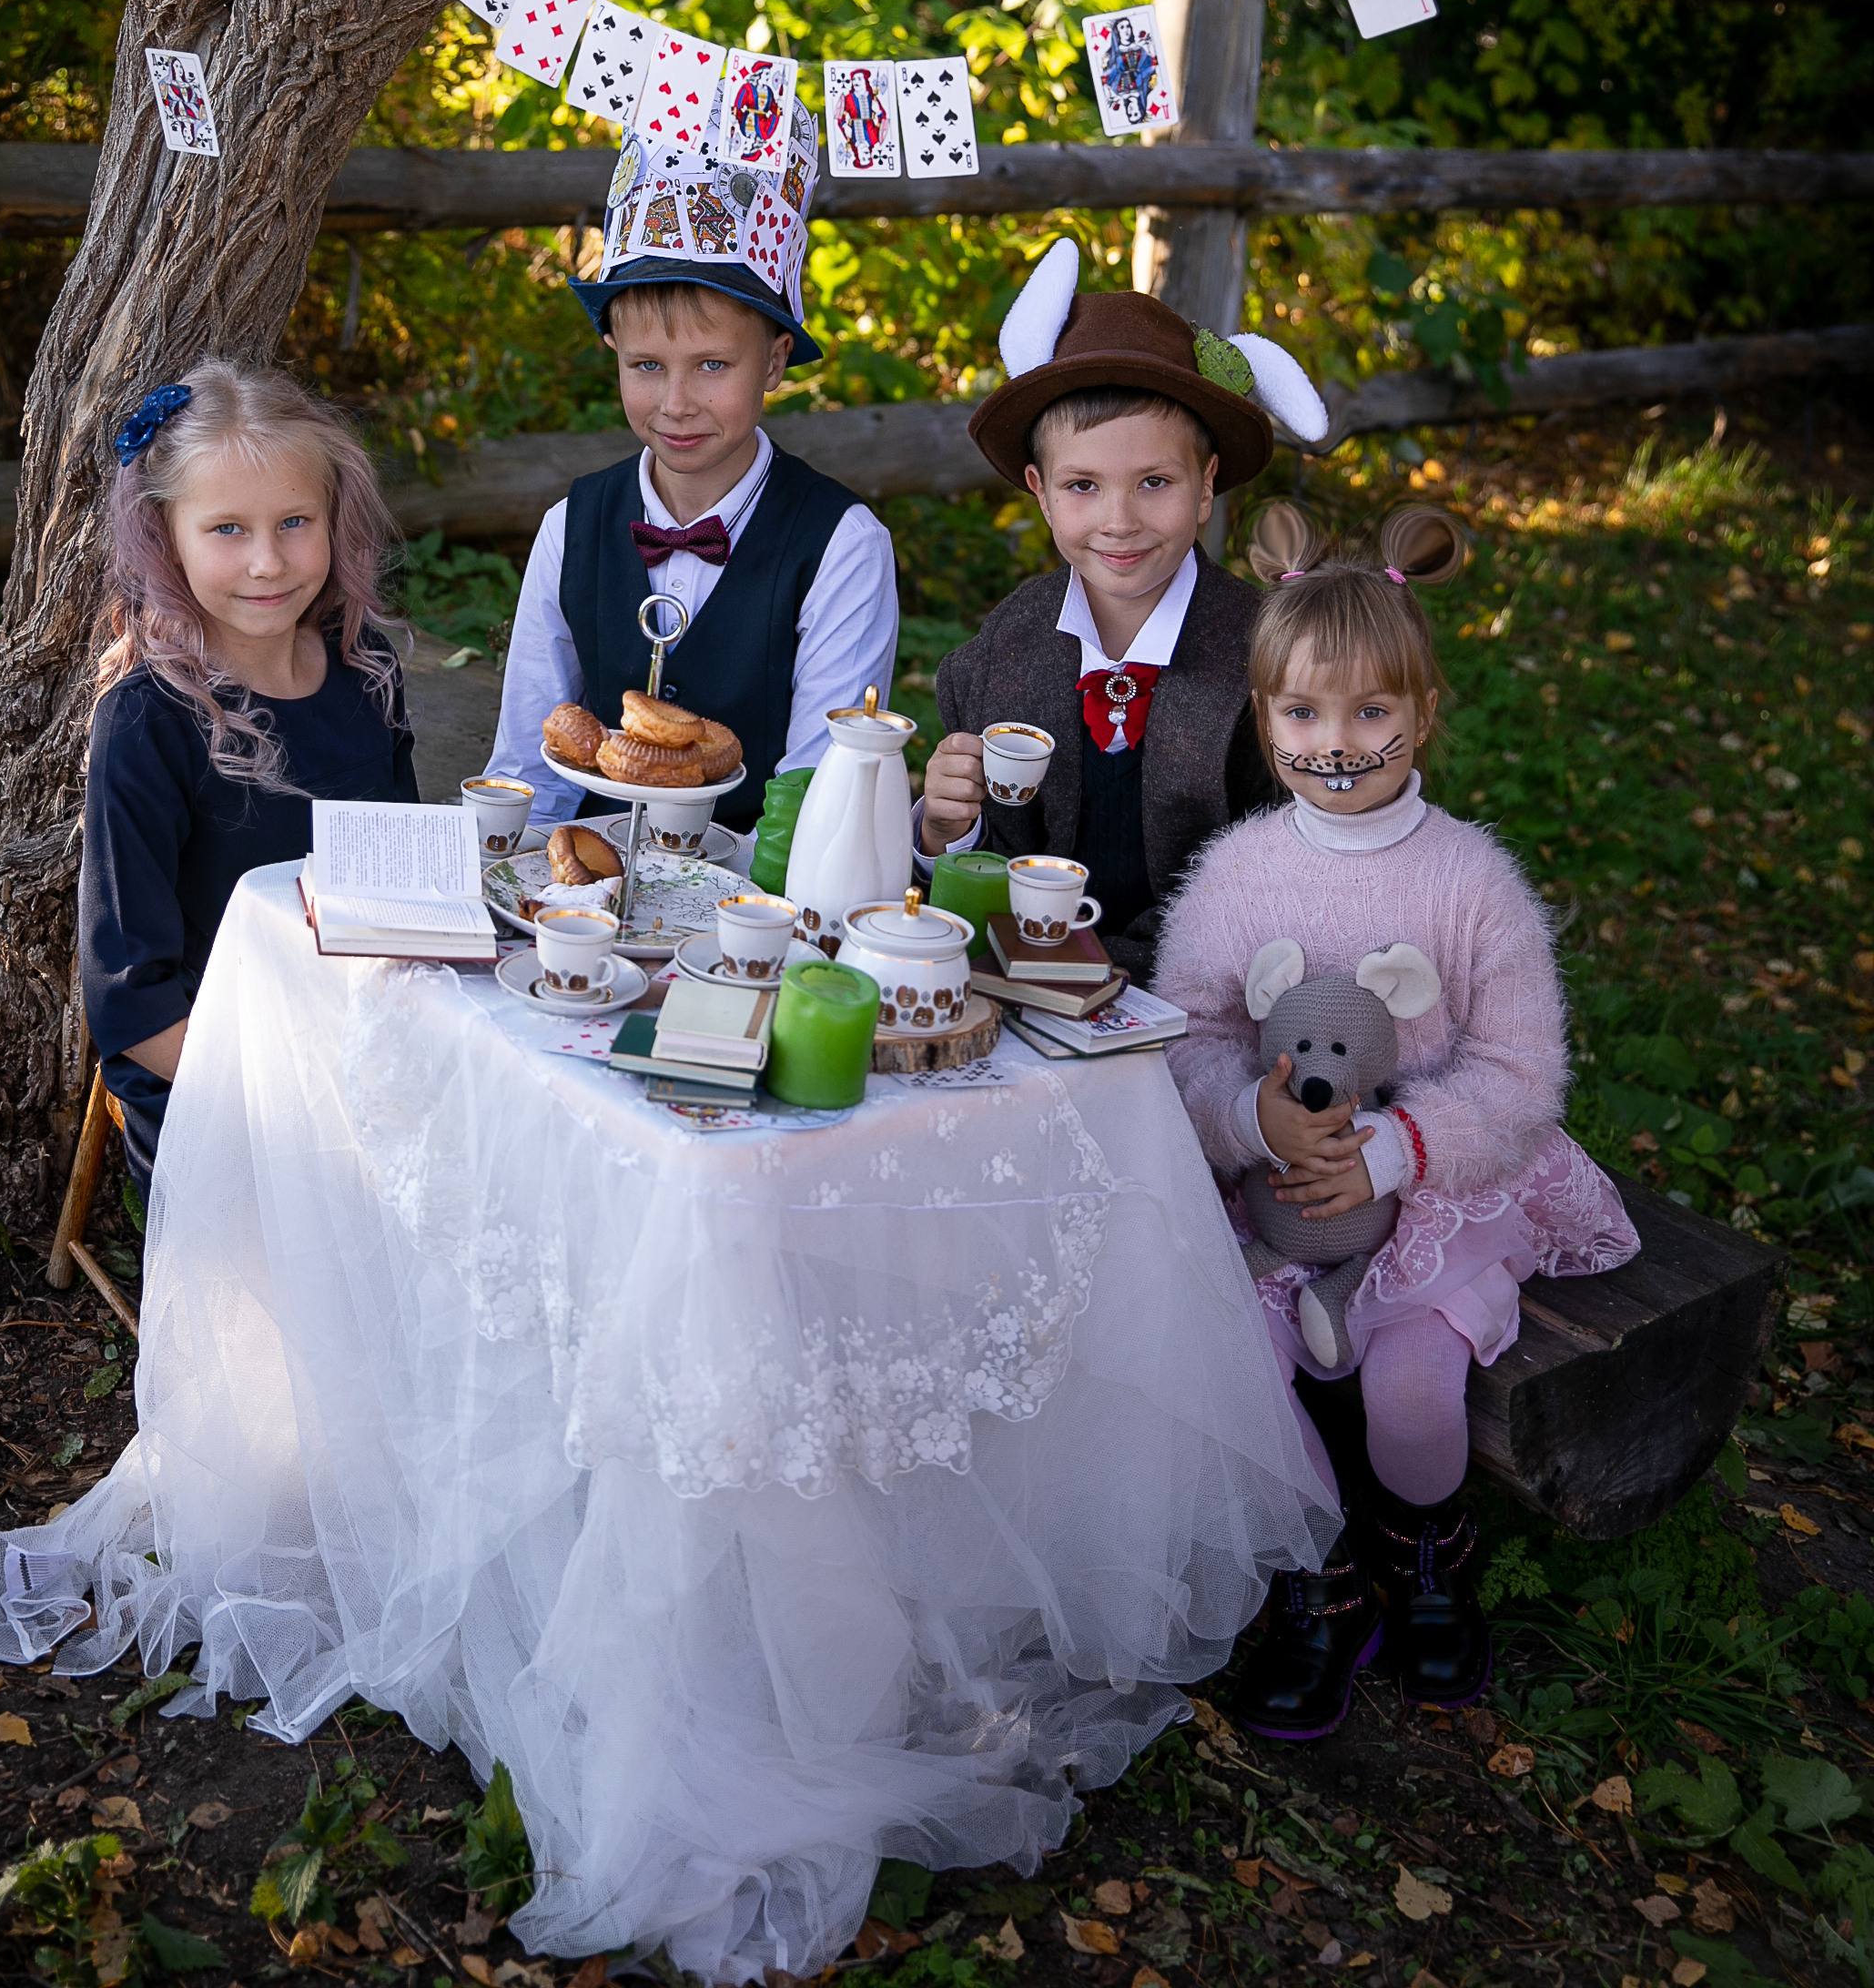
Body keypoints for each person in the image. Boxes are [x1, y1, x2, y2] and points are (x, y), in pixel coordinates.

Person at [1152, 502, 1640, 1738]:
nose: (1336, 742)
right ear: (1264, 722)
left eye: (1372, 712)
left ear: (1423, 715)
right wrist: (1252, 1117)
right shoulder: (1240, 872)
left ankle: (1425, 1550)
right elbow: (1187, 1040)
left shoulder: (1471, 881)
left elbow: (1523, 1077)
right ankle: (1317, 1580)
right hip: (1274, 1200)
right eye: (1304, 714)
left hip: (1440, 1191)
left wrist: (1396, 1143)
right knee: (1237, 1371)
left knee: (1415, 1391)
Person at [917, 238, 1329, 972]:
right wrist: (947, 830)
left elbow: (1295, 874)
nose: (1119, 520)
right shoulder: (1009, 646)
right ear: (1040, 493)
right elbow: (983, 864)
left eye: (1154, 483)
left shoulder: (1268, 659)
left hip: (1210, 992)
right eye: (1083, 486)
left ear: (1205, 486)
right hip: (1023, 976)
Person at [489, 103, 897, 830]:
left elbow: (822, 792)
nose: (676, 403)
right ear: (614, 354)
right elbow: (528, 761)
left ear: (773, 362)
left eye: (712, 365)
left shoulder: (841, 544)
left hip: (751, 904)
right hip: (583, 889)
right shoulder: (571, 528)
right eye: (648, 365)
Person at [78, 361, 417, 1206]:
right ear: (166, 536)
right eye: (227, 529)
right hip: (216, 1079)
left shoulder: (362, 668)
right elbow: (132, 1004)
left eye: (295, 521)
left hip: (361, 1044)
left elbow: (407, 889)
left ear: (336, 518)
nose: (268, 562)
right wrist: (306, 1102)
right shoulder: (149, 722)